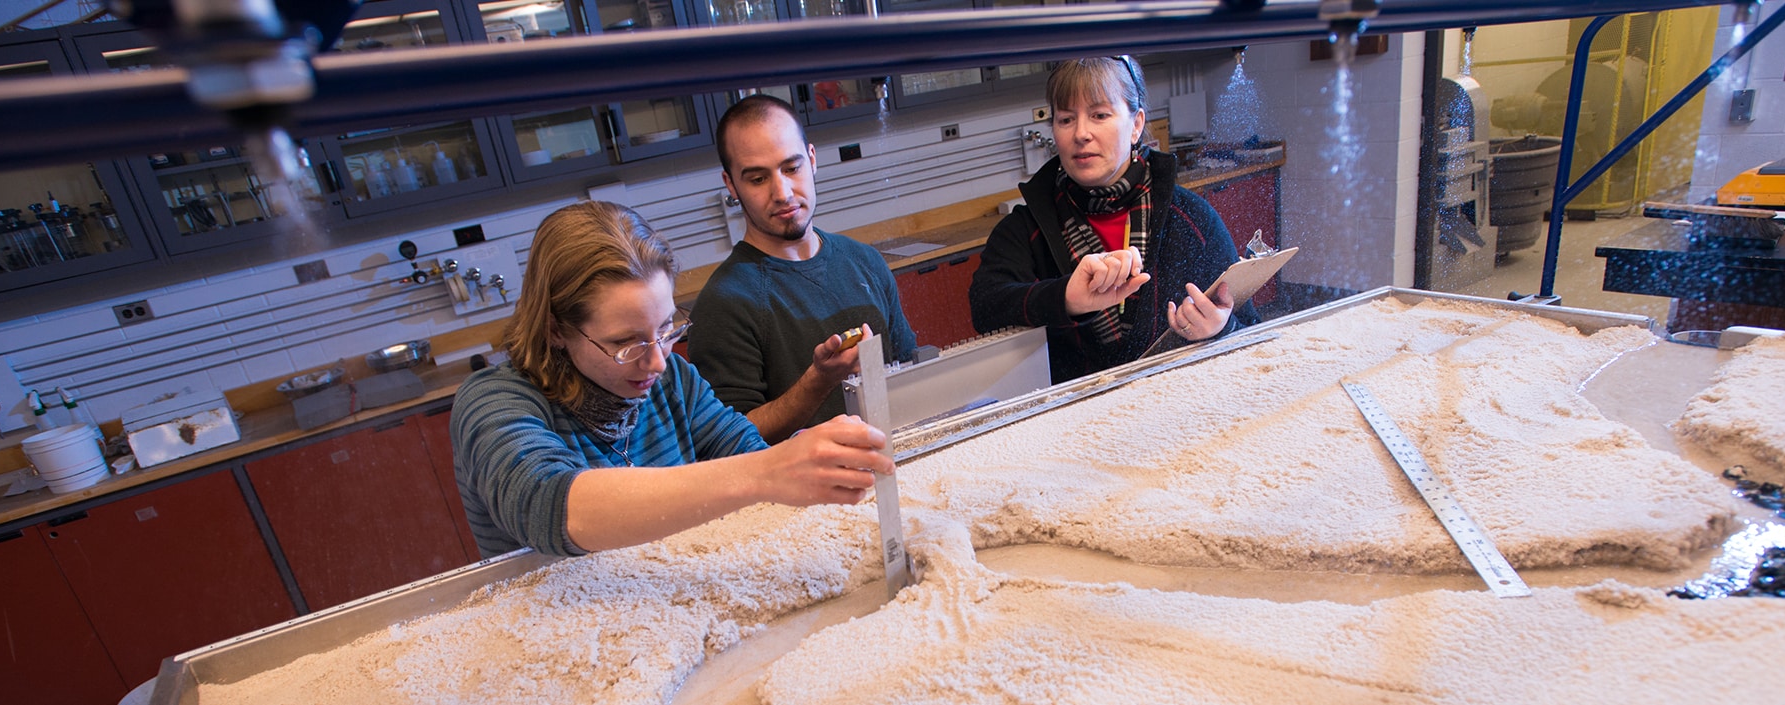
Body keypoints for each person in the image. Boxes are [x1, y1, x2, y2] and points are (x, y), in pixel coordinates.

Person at [451, 201, 895, 559]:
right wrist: (769, 470)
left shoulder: (673, 381)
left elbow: (743, 455)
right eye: (626, 344)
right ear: (555, 330)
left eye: (665, 330)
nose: (658, 362)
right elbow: (553, 504)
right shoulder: (494, 401)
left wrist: (804, 467)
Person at [970, 56, 1260, 384]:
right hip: (1072, 417)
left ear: (1136, 124)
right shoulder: (1026, 228)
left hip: (1175, 408)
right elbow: (984, 307)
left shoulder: (1191, 218)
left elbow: (1251, 333)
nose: (1081, 133)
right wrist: (1065, 297)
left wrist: (1221, 329)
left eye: (1099, 115)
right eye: (1065, 119)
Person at [689, 94, 918, 444]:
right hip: (804, 496)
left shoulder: (865, 263)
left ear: (812, 160)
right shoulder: (724, 304)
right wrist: (818, 380)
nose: (782, 192)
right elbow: (728, 445)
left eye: (791, 168)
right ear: (731, 185)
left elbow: (911, 372)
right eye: (757, 179)